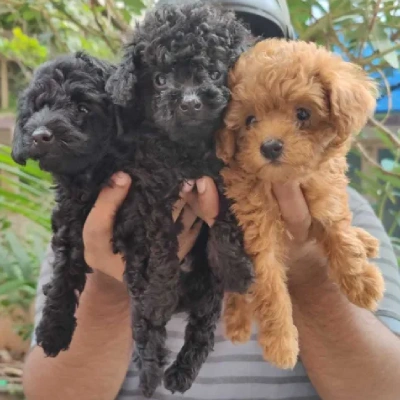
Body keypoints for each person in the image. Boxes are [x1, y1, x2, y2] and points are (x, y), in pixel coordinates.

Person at [23, 1, 400, 399]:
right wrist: (112, 286)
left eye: (223, 71)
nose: (193, 98)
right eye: (168, 76)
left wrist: (307, 269)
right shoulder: (100, 210)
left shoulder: (341, 209)